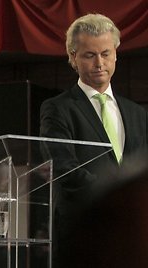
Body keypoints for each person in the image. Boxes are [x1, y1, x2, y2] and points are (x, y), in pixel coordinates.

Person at [39, 14, 148, 267]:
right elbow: (64, 168)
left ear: (116, 55)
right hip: (84, 236)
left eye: (106, 53)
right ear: (73, 57)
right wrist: (115, 202)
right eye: (90, 55)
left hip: (134, 240)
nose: (100, 63)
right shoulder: (58, 109)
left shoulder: (137, 113)